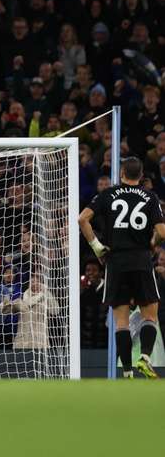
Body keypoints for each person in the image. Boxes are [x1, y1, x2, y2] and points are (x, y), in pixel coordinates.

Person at [79, 156, 165, 378]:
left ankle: (126, 372)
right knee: (149, 316)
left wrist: (97, 247)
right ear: (141, 174)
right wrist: (154, 241)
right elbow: (162, 232)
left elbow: (82, 219)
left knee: (121, 322)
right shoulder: (150, 197)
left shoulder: (107, 194)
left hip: (115, 262)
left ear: (122, 173)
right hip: (141, 261)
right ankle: (145, 357)